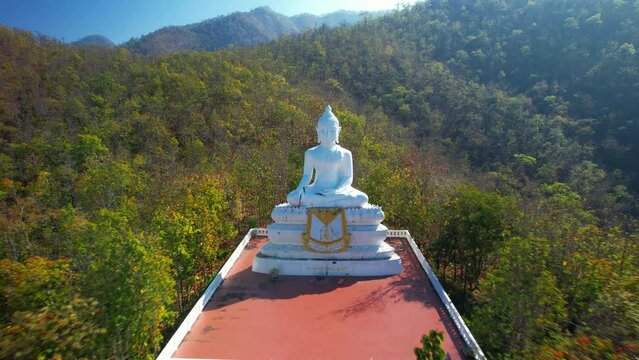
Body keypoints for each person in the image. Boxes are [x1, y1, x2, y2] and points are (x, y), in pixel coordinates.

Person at [287, 105, 369, 208]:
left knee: (362, 198)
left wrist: (338, 190)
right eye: (323, 131)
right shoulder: (310, 153)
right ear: (317, 131)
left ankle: (321, 202)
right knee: (291, 197)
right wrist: (299, 190)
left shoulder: (345, 153)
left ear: (338, 131)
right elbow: (307, 176)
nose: (328, 135)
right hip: (316, 190)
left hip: (338, 192)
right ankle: (328, 202)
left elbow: (348, 177)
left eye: (332, 131)